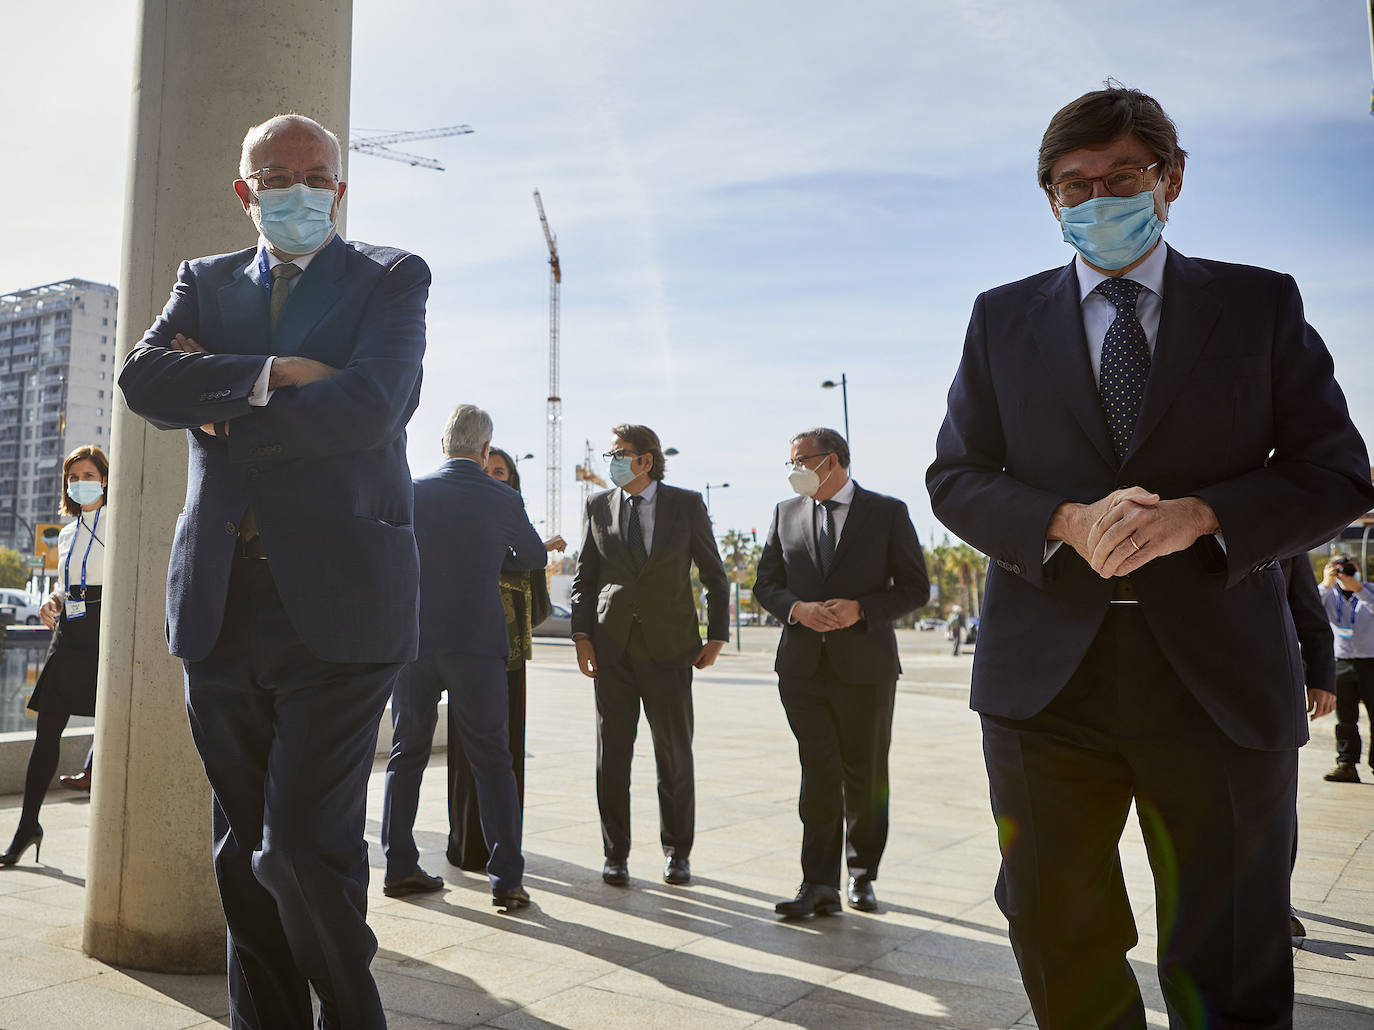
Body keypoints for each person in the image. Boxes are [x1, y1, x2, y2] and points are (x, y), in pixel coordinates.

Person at [926, 85, 1374, 1027]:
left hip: (1216, 683)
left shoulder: (1258, 304)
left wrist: (1203, 515)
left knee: (1232, 948)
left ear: (1170, 180)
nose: (1095, 200)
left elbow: (1336, 475)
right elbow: (957, 477)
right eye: (1070, 186)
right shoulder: (1000, 319)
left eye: (1120, 176)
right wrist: (1063, 521)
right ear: (1050, 200)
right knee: (1057, 932)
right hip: (1046, 690)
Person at [118, 113, 429, 1029]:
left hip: (344, 609)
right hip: (219, 604)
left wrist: (216, 392)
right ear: (243, 189)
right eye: (274, 173)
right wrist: (274, 373)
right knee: (243, 856)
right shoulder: (203, 282)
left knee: (296, 850)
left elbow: (372, 408)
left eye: (314, 173)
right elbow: (142, 382)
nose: (296, 187)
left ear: (340, 185)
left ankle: (352, 1015)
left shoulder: (390, 276)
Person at [754, 428, 928, 916]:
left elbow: (916, 588)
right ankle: (817, 884)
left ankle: (862, 874)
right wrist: (796, 609)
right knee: (820, 772)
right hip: (802, 669)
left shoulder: (887, 512)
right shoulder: (784, 513)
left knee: (866, 774)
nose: (793, 470)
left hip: (866, 667)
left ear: (829, 462)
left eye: (800, 461)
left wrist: (862, 609)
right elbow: (765, 584)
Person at [380, 407, 547, 909]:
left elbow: (389, 552)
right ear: (485, 451)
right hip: (477, 644)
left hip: (414, 642)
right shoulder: (503, 497)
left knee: (406, 753)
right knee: (493, 761)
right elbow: (536, 558)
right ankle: (506, 879)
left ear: (442, 444)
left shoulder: (411, 490)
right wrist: (495, 559)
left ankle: (398, 866)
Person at [570, 424, 730, 887]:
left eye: (619, 453)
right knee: (612, 759)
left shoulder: (686, 505)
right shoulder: (598, 506)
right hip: (611, 649)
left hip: (670, 648)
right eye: (610, 453)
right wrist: (582, 637)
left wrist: (716, 635)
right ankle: (614, 852)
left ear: (647, 460)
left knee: (674, 757)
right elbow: (585, 577)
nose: (612, 461)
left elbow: (715, 576)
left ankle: (677, 852)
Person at [446, 446, 565, 871]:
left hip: (510, 657)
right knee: (465, 750)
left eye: (502, 472)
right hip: (462, 652)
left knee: (505, 752)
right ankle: (465, 843)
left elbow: (543, 607)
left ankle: (504, 846)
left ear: (513, 483)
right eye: (487, 470)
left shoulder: (520, 528)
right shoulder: (457, 526)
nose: (495, 477)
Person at [1, 446, 109, 866]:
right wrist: (52, 599)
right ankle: (27, 826)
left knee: (113, 718)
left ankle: (92, 768)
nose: (80, 481)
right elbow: (68, 586)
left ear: (104, 479)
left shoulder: (118, 522)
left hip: (105, 631)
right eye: (73, 476)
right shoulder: (65, 533)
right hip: (68, 634)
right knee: (46, 735)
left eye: (88, 474)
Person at [1282, 555, 1336, 939]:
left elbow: (1309, 613)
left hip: (1266, 696)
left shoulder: (1283, 530)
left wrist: (1322, 678)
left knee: (1275, 811)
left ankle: (1274, 902)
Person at [1318, 553, 1374, 783]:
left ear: (1358, 569)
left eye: (1349, 568)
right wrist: (1325, 583)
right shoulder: (1328, 595)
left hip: (1371, 661)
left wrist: (1358, 588)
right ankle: (1346, 764)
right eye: (1339, 568)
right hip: (1341, 663)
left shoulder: (1369, 590)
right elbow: (1307, 608)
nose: (1345, 573)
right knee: (1345, 719)